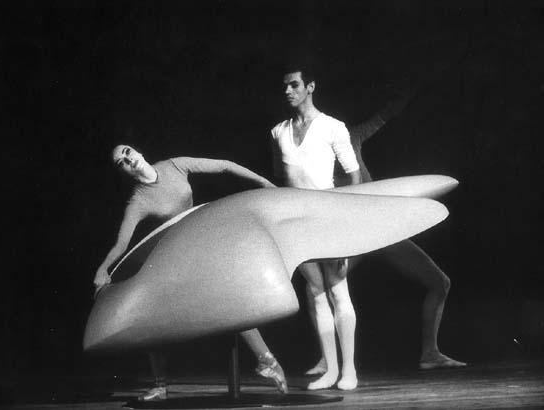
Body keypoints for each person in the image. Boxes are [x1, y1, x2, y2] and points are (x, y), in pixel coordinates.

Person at [93, 144, 288, 400]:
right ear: (124, 172)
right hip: (173, 259)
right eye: (121, 162)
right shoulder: (138, 201)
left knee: (232, 298)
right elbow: (121, 243)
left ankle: (266, 360)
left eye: (128, 152)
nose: (128, 160)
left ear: (138, 152)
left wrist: (262, 181)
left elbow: (224, 166)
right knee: (152, 316)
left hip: (199, 244)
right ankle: (160, 385)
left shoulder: (174, 165)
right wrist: (103, 268)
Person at [302, 82, 467, 377]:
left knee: (440, 282)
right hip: (353, 238)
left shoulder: (351, 135)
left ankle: (430, 353)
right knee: (315, 287)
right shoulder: (313, 154)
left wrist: (412, 88)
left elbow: (384, 116)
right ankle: (327, 359)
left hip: (382, 229)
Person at [271, 66, 361, 391]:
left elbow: (354, 175)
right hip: (297, 223)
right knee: (317, 293)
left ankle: (349, 370)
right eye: (285, 86)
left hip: (328, 218)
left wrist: (347, 223)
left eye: (294, 85)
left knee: (338, 290)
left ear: (310, 86)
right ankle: (331, 370)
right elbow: (279, 177)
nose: (288, 91)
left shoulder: (333, 127)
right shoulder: (278, 131)